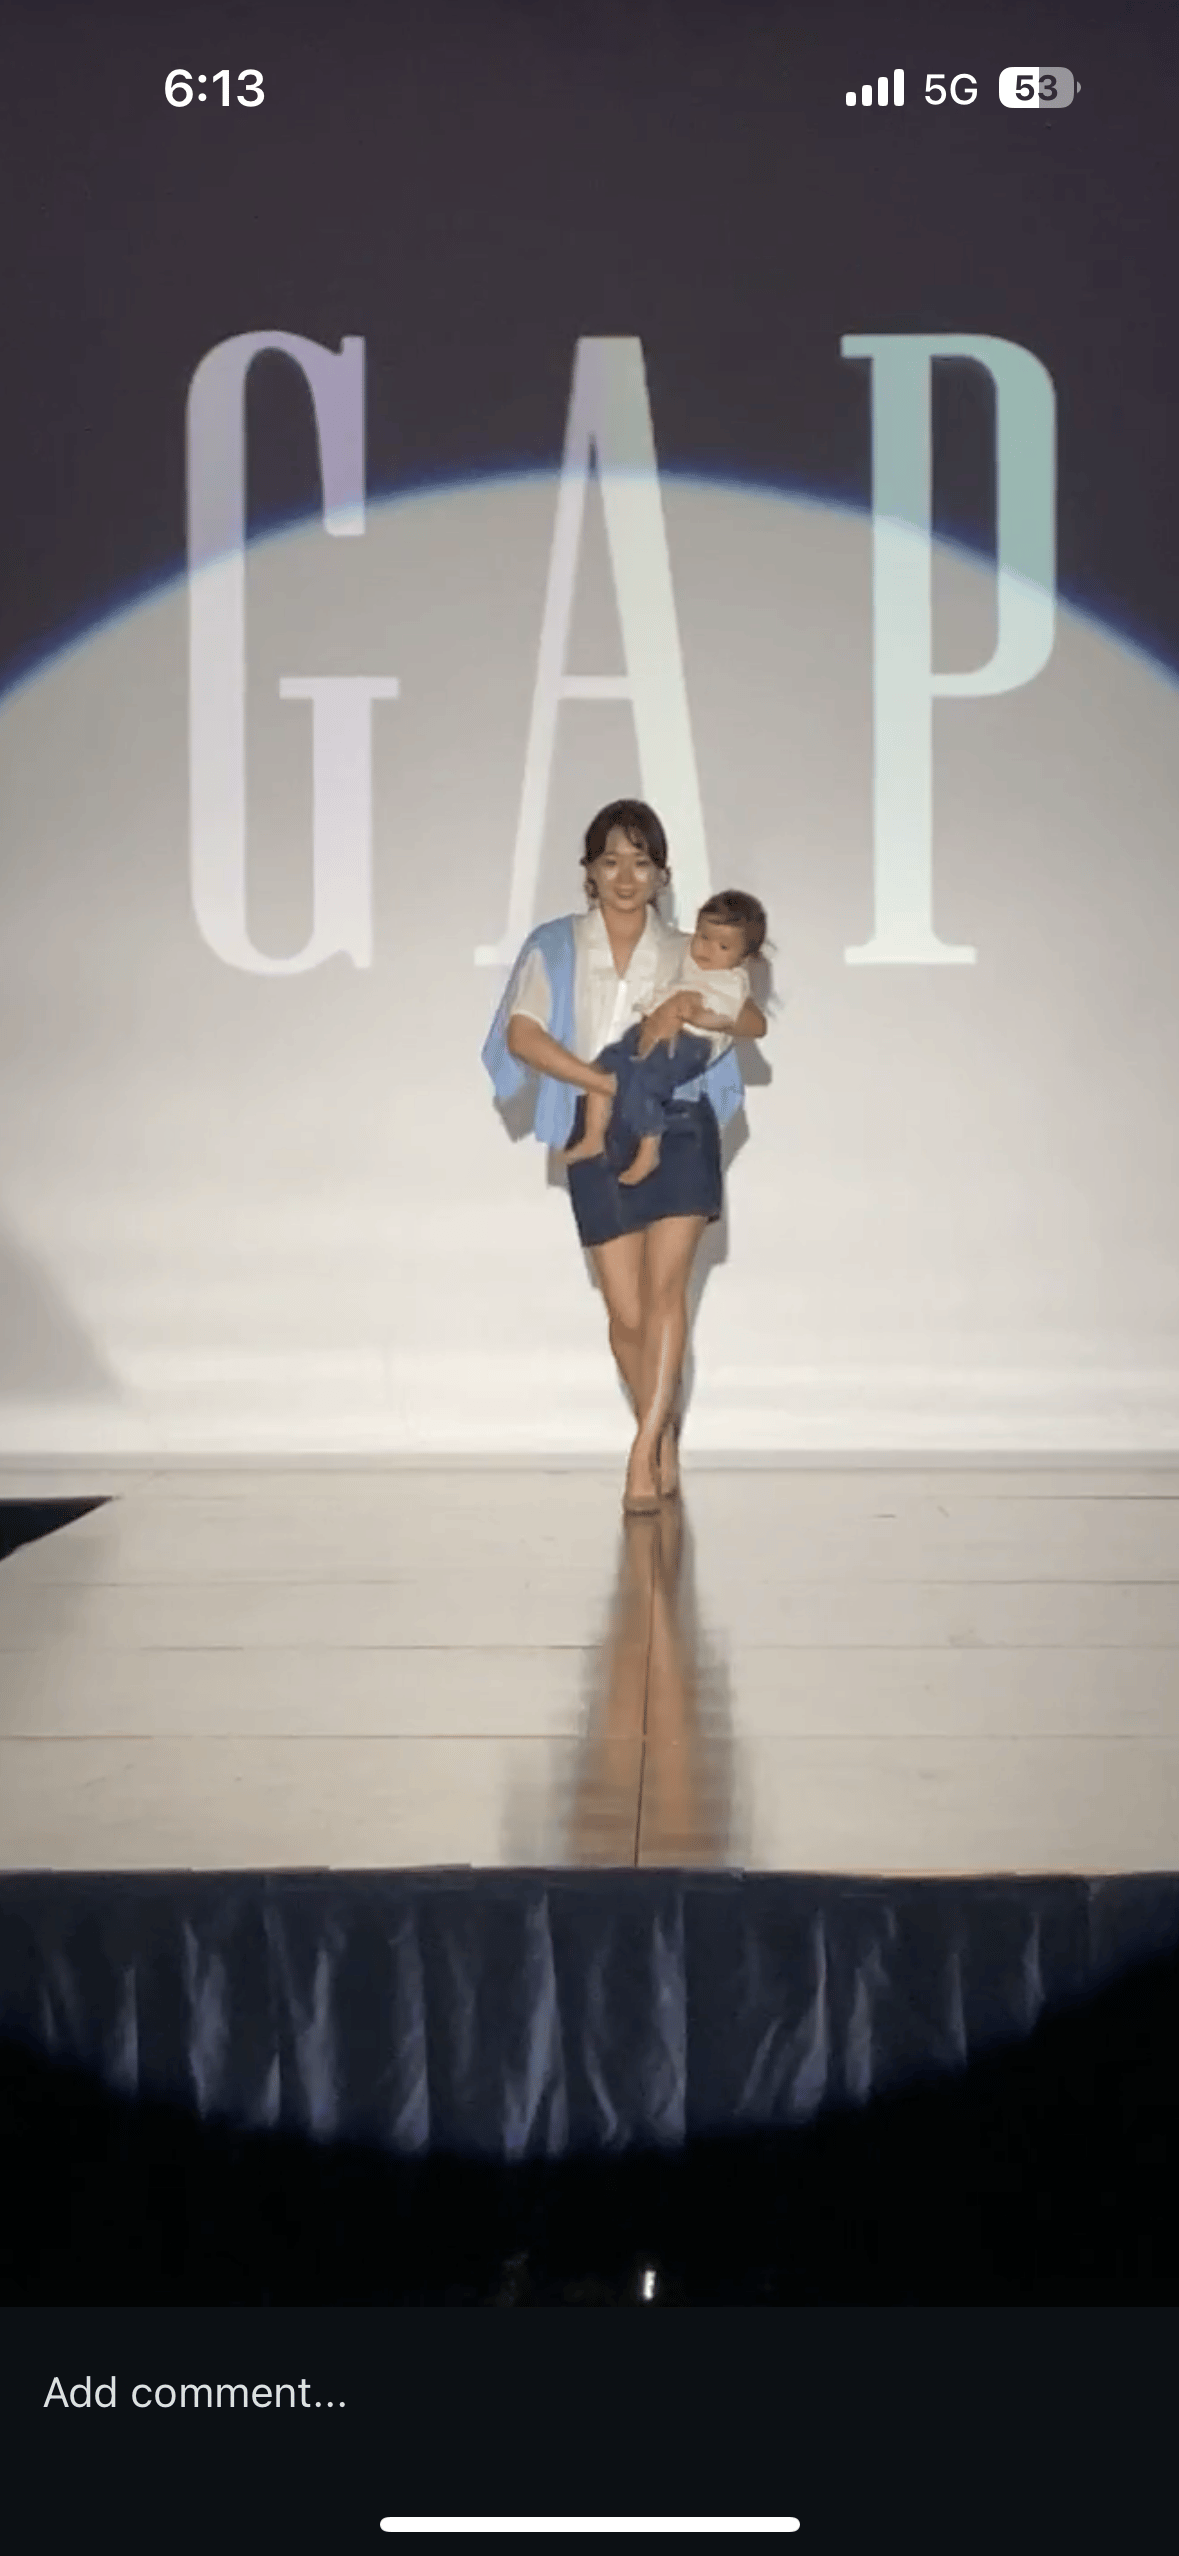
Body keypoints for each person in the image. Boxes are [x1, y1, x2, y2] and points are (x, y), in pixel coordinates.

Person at [481, 799, 768, 1515]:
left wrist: (701, 1013)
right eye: (610, 861)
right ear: (588, 871)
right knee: (626, 1311)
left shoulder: (692, 947)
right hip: (596, 1119)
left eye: (641, 862)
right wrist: (607, 1083)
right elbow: (522, 1034)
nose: (625, 876)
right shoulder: (554, 943)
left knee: (668, 1293)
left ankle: (643, 1450)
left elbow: (745, 1015)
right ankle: (659, 1423)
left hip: (680, 1124)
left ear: (662, 874)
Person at [563, 889, 767, 1188]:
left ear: (744, 957)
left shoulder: (732, 980)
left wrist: (698, 1016)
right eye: (703, 936)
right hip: (651, 1028)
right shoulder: (688, 956)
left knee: (649, 1081)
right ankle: (593, 1137)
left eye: (723, 946)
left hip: (690, 1043)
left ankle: (649, 1150)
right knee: (603, 1065)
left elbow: (732, 1018)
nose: (707, 949)